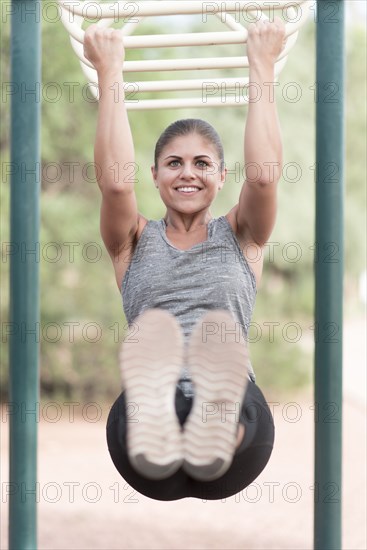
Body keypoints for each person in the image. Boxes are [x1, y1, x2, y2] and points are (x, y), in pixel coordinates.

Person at [84, 17, 285, 501]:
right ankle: (165, 421)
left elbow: (263, 179)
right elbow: (114, 183)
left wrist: (262, 65)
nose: (187, 174)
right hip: (142, 442)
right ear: (154, 175)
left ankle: (212, 428)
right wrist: (110, 71)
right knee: (158, 390)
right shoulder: (131, 240)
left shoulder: (242, 235)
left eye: (202, 164)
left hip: (240, 440)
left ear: (221, 175)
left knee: (224, 389)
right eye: (174, 163)